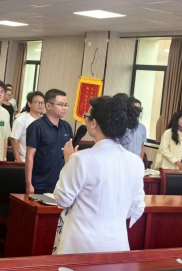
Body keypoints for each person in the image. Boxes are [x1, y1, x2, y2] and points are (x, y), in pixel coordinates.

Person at [52, 95, 145, 255]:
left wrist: (68, 163)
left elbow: (62, 199)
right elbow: (136, 207)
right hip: (118, 242)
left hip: (81, 242)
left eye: (86, 116)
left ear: (94, 123)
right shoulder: (136, 162)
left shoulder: (81, 159)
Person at [25, 89, 73, 194]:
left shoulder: (66, 126)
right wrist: (29, 184)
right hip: (40, 183)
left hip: (61, 183)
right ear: (48, 106)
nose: (64, 108)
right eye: (60, 104)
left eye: (65, 105)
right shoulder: (36, 126)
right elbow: (29, 156)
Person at [11, 91, 44, 162]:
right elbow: (14, 139)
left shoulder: (45, 121)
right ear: (29, 104)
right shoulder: (21, 120)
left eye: (42, 103)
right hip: (24, 160)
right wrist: (18, 159)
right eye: (37, 102)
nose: (40, 105)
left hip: (42, 161)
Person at [112, 94, 146, 159]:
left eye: (139, 109)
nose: (137, 112)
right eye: (135, 108)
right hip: (122, 160)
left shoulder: (142, 128)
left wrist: (140, 161)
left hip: (136, 161)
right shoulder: (121, 126)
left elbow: (142, 146)